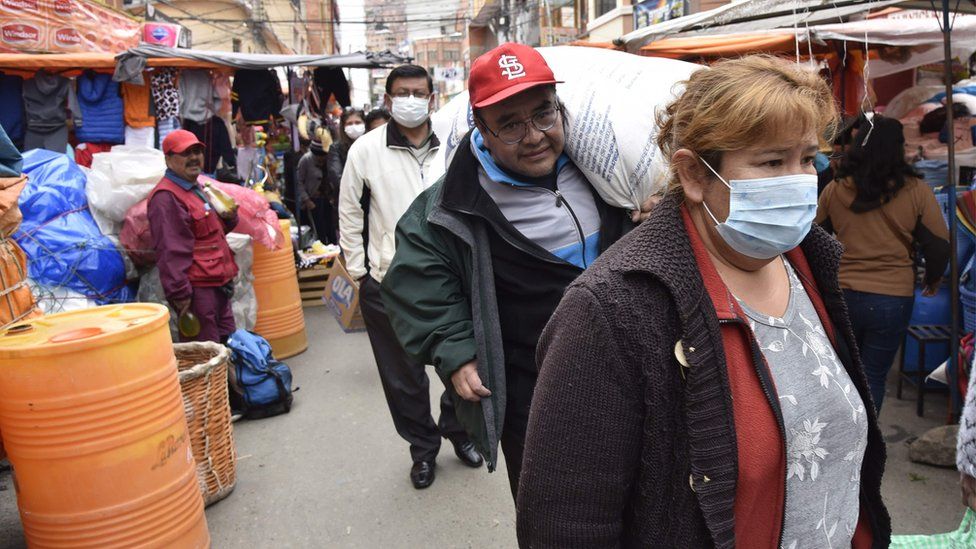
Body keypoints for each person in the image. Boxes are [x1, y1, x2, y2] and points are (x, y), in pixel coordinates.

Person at [517, 56, 890, 548]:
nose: (799, 181)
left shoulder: (807, 262)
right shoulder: (612, 311)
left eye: (807, 159)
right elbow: (564, 524)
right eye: (772, 161)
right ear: (694, 174)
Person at [379, 43, 632, 500]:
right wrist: (456, 350)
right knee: (556, 518)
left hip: (628, 377)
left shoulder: (606, 168)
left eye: (542, 114)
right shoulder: (452, 204)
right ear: (481, 127)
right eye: (510, 125)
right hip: (535, 396)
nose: (534, 136)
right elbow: (418, 280)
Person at [338, 64, 481, 490]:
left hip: (453, 278)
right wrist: (360, 272)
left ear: (432, 97)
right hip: (388, 283)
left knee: (461, 362)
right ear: (388, 100)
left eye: (419, 92)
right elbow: (349, 212)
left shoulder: (455, 144)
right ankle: (423, 451)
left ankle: (458, 430)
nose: (411, 100)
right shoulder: (365, 150)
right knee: (403, 379)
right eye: (403, 93)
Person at [816, 115, 950, 412]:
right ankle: (867, 446)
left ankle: (842, 439)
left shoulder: (835, 189)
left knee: (844, 373)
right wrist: (933, 279)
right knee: (873, 376)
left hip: (843, 294)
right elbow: (939, 246)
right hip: (893, 297)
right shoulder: (916, 191)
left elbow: (815, 239)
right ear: (898, 148)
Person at [148, 129, 239, 344]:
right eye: (186, 153)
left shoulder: (196, 188)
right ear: (168, 158)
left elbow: (212, 233)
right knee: (207, 354)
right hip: (198, 292)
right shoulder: (166, 198)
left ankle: (229, 380)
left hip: (218, 283)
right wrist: (181, 297)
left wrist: (230, 216)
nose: (194, 158)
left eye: (197, 151)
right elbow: (171, 252)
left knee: (229, 346)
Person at [326, 108, 365, 240]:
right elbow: (337, 178)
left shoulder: (371, 145)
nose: (354, 126)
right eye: (349, 123)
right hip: (348, 209)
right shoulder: (336, 149)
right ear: (343, 126)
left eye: (357, 122)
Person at [296, 134, 333, 244]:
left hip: (328, 198)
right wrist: (307, 200)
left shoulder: (330, 159)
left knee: (331, 227)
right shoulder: (305, 160)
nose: (321, 158)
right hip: (313, 200)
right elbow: (299, 181)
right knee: (318, 228)